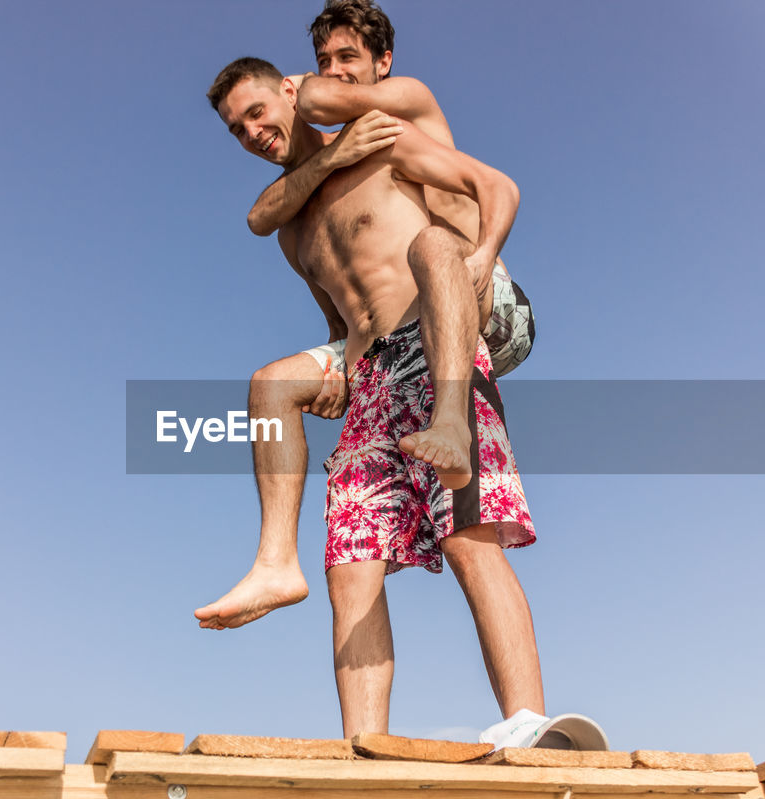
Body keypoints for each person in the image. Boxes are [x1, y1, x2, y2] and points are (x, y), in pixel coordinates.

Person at [206, 55, 543, 738]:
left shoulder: (381, 140)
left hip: (434, 344)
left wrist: (484, 256)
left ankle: (529, 723)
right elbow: (338, 320)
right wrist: (334, 380)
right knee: (349, 569)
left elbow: (493, 184)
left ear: (292, 94)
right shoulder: (294, 229)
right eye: (237, 128)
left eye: (257, 111)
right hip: (371, 383)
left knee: (468, 539)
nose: (251, 131)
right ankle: (358, 734)